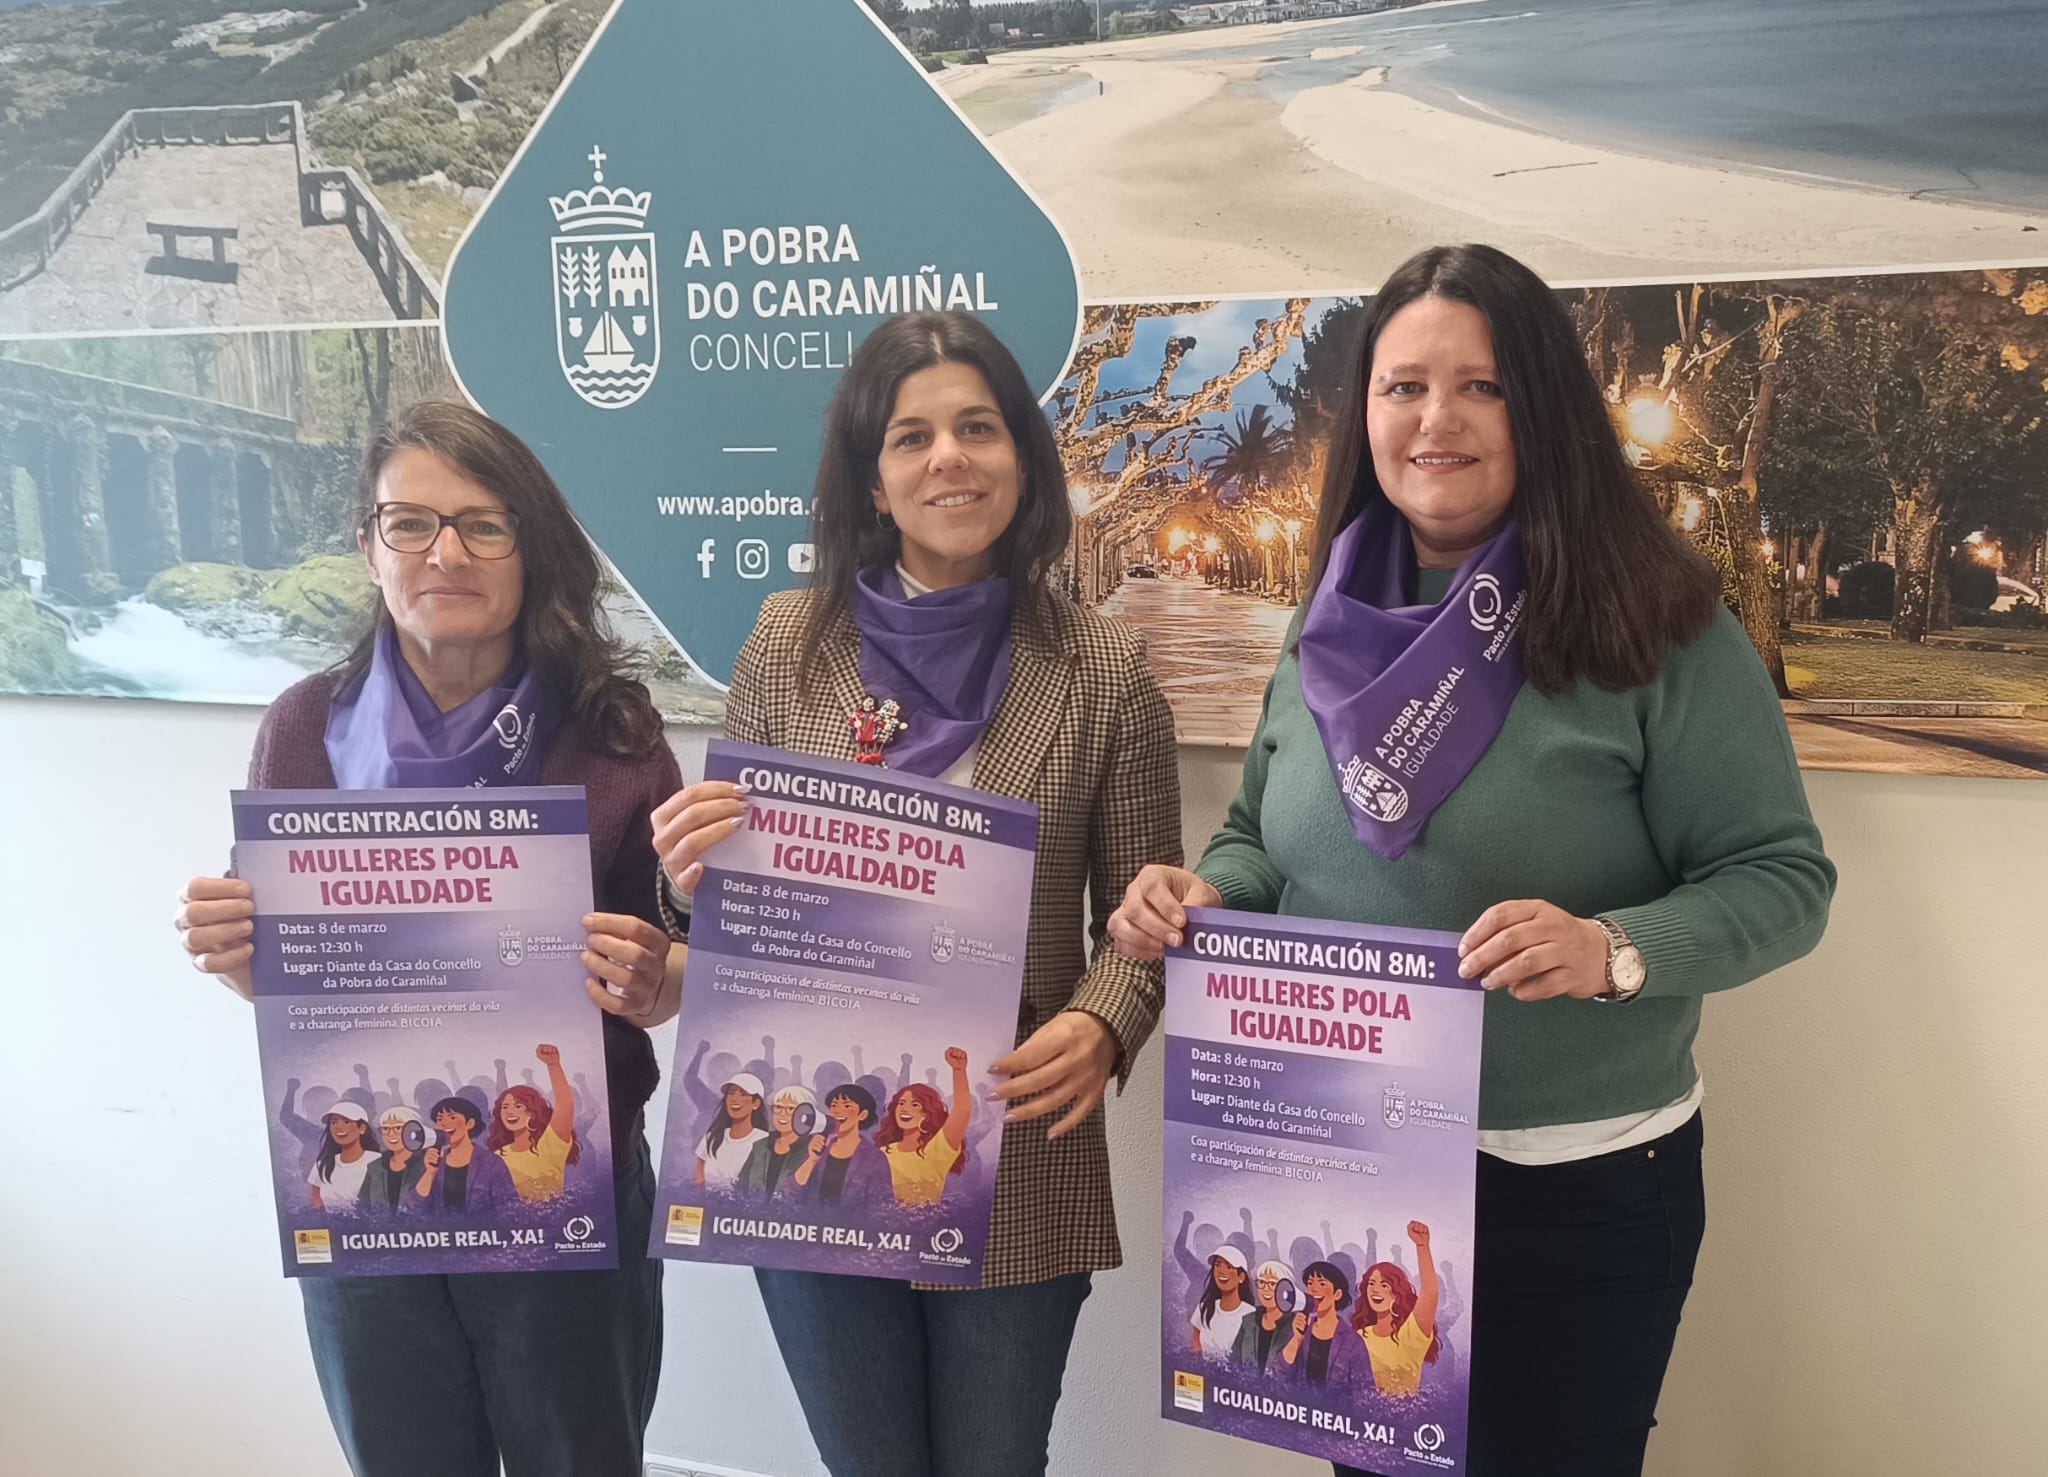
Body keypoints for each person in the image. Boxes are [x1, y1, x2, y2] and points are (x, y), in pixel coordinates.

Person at [1109, 244, 1835, 1477]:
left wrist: (1611, 950)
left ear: (1539, 406)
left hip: (1572, 1194)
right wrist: (1203, 891)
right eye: (1402, 387)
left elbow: (1781, 878)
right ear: (1366, 414)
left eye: (1479, 386)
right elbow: (1260, 840)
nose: (1434, 419)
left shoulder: (1659, 623)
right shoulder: (1322, 619)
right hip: (1345, 1169)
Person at [652, 312, 1181, 1477]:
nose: (949, 457)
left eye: (977, 428)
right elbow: (725, 905)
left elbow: (1144, 923)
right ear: (871, 478)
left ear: (1021, 460)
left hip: (1014, 1140)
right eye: (911, 436)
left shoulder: (1105, 671)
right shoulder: (785, 643)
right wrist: (685, 876)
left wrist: (1103, 1021)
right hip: (810, 1144)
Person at [172, 400, 686, 1477]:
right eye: (410, 522)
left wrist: (651, 977)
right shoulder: (304, 727)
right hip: (369, 1189)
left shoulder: (614, 734)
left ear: (531, 549)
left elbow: (670, 975)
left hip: (562, 1190)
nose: (445, 552)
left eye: (483, 524)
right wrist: (236, 957)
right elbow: (292, 987)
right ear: (369, 546)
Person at [874, 1046, 972, 1208]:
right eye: (901, 1103)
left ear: (927, 1113)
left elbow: (963, 1110)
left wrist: (958, 1070)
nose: (905, 1109)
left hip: (925, 1222)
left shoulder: (938, 1149)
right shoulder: (883, 1152)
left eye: (915, 1104)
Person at [1353, 1222, 1440, 1398]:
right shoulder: (1360, 1335)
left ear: (1397, 1293)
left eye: (1384, 1285)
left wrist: (1422, 1246)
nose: (1375, 1290)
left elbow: (1430, 1293)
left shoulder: (1410, 1334)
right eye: (1371, 1284)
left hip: (1403, 1413)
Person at [488, 1043, 580, 1203]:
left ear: (533, 1111)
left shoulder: (550, 1144)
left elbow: (566, 1104)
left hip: (552, 1217)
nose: (510, 1112)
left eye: (519, 1106)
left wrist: (553, 1065)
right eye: (505, 1107)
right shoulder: (498, 1155)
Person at [1281, 1262, 1368, 1388]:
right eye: (1310, 1283)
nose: (1313, 1289)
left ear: (1337, 1294)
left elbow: (1364, 1389)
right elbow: (1279, 1373)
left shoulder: (1352, 1341)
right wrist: (1296, 1339)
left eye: (1322, 1284)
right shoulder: (1301, 1330)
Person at [737, 1085, 818, 1198]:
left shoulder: (813, 1149)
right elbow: (740, 1185)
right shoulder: (760, 1146)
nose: (782, 1113)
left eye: (790, 1109)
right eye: (778, 1107)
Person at [695, 1071, 770, 1189]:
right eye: (731, 1093)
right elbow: (699, 1177)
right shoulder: (711, 1138)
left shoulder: (764, 1141)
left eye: (743, 1094)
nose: (735, 1099)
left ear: (756, 1103)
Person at [357, 1106, 429, 1215]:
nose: (391, 1134)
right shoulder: (375, 1167)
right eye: (386, 1129)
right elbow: (362, 1206)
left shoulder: (426, 1163)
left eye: (398, 1128)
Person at [308, 1100, 379, 1212]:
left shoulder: (377, 1161)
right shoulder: (322, 1165)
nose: (338, 1127)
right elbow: (316, 1199)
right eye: (333, 1122)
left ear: (362, 1128)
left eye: (347, 1122)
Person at [1191, 1244, 1255, 1359]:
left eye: (1229, 1267)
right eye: (1217, 1265)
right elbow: (1196, 1344)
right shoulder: (1203, 1309)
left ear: (1241, 1277)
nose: (1221, 1271)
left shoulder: (1251, 1314)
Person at [1234, 1259, 1294, 1373]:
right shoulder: (1248, 1320)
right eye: (1261, 1282)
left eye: (1272, 1284)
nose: (1265, 1289)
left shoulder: (1294, 1325)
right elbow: (1234, 1360)